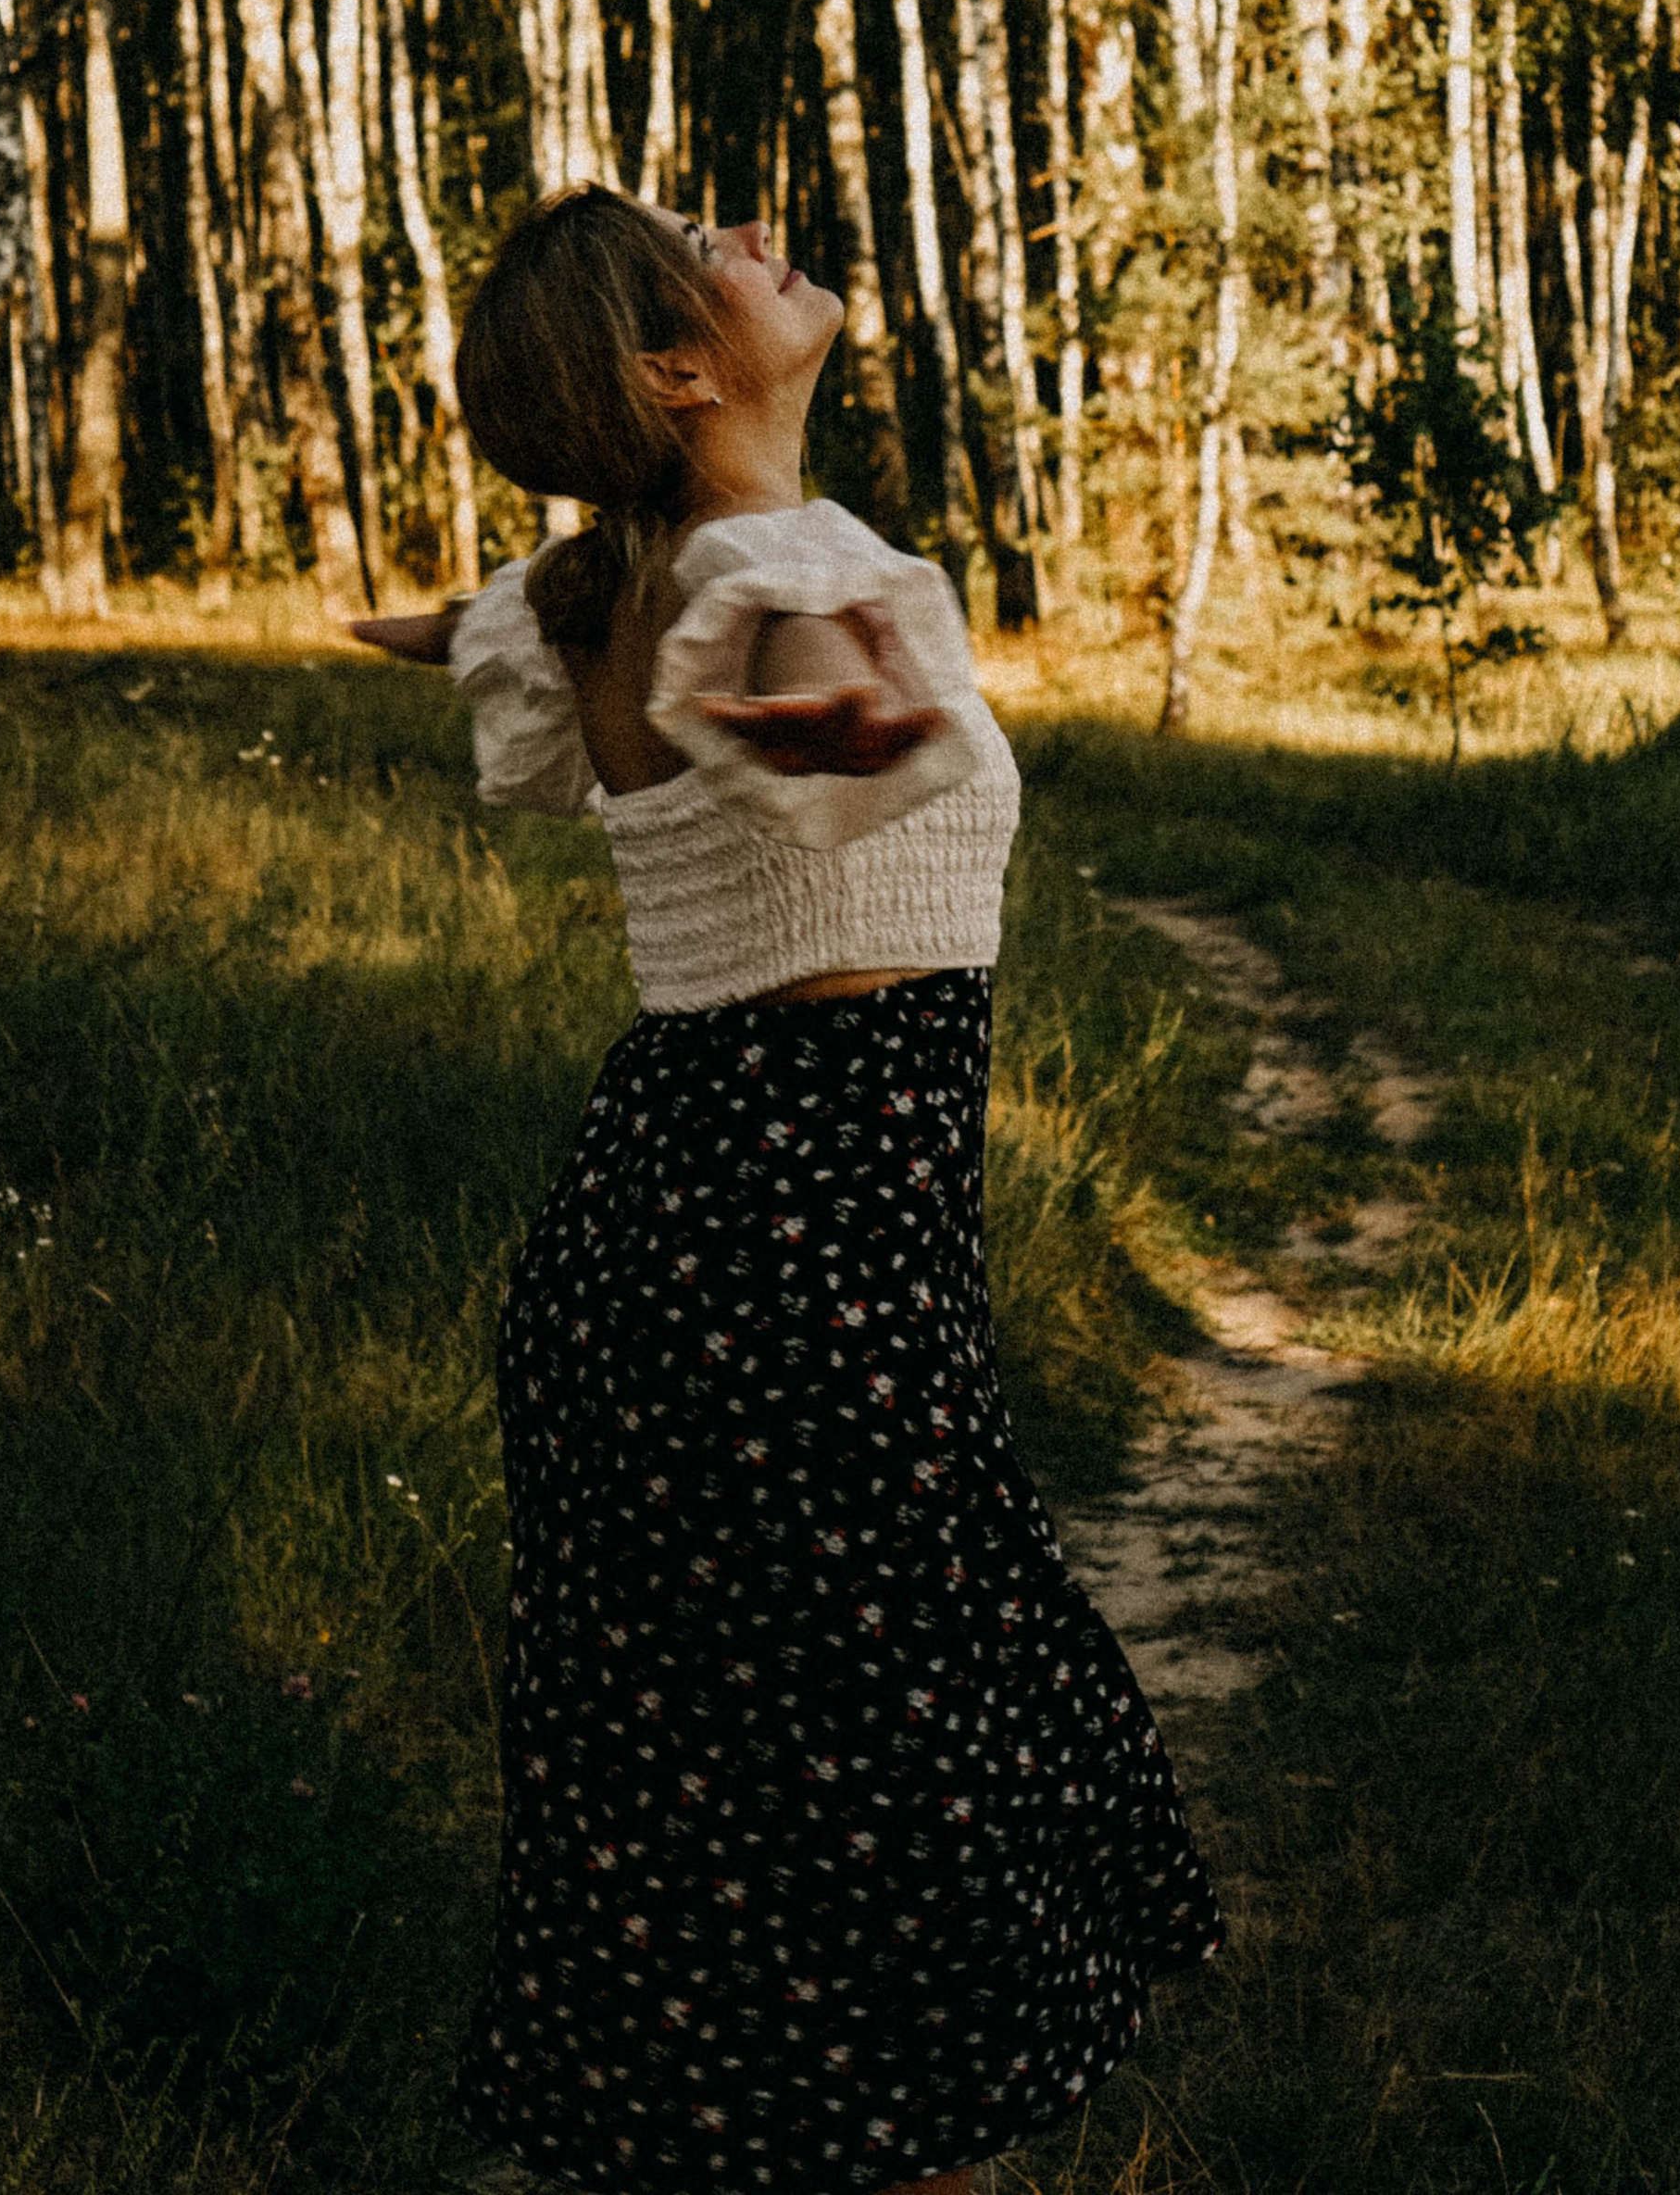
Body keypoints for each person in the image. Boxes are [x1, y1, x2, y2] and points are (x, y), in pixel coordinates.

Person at [354, 185, 1222, 2195]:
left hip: (682, 1234)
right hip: (792, 1261)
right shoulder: (763, 573)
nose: (755, 232)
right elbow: (834, 718)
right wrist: (845, 705)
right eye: (709, 247)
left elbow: (501, 630)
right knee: (875, 1801)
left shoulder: (623, 579)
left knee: (726, 1790)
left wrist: (469, 631)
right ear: (677, 370)